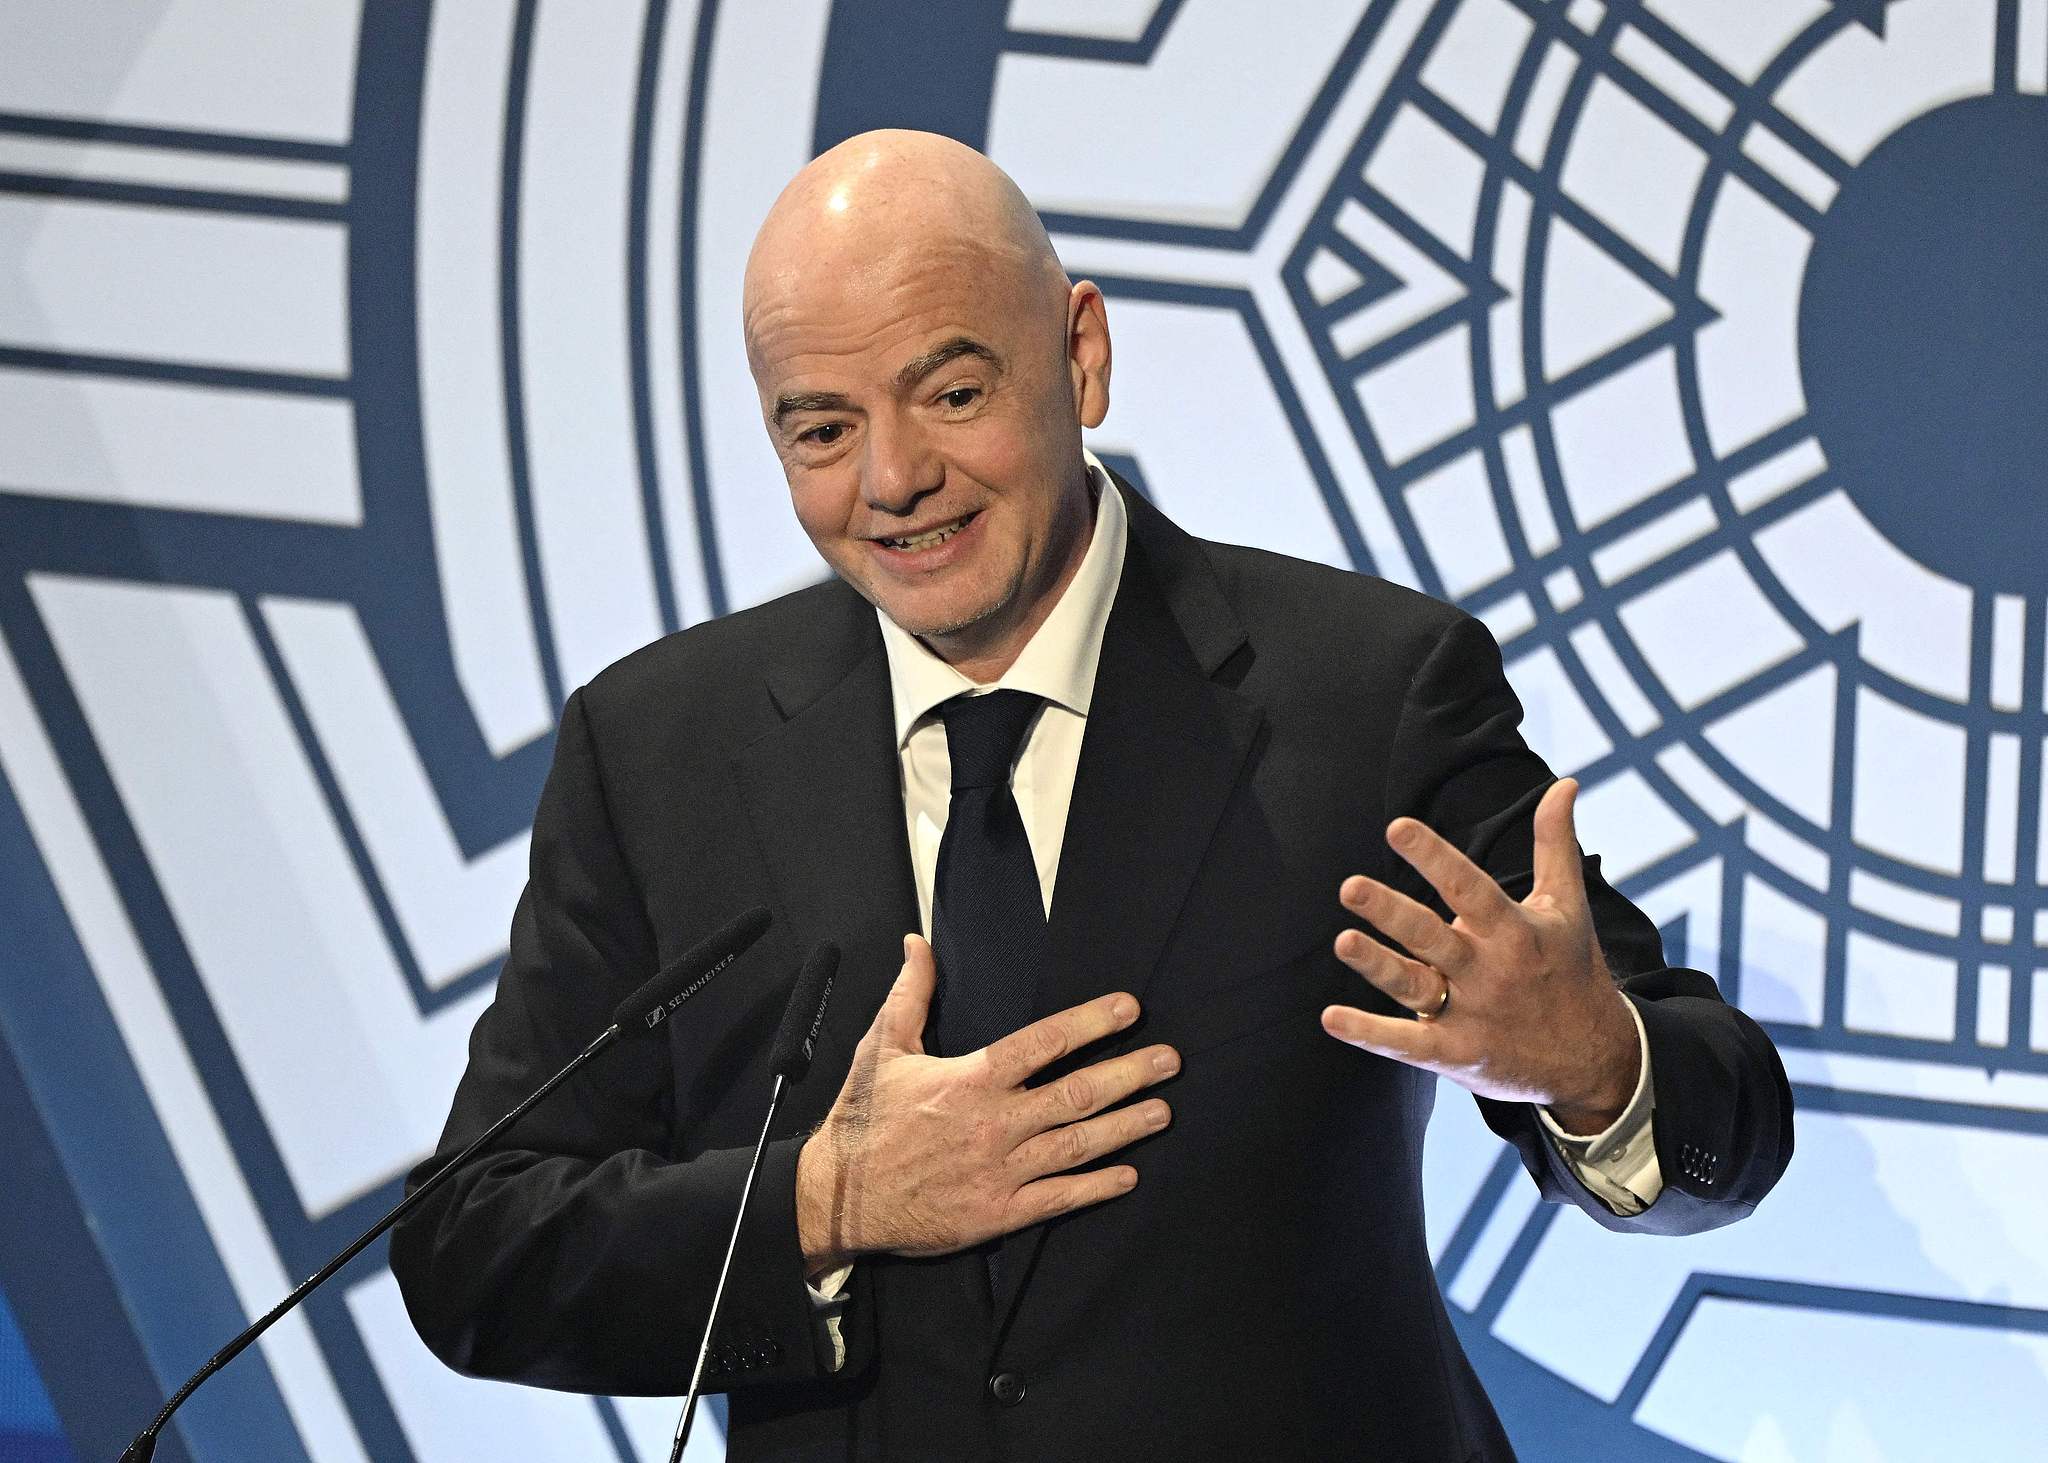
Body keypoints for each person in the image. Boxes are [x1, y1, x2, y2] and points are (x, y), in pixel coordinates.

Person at [391, 130, 1791, 1461]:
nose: (893, 481)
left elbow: (1731, 1111)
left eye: (952, 394)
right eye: (821, 430)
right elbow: (475, 1249)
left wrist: (1595, 1064)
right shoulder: (659, 750)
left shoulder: (1368, 694)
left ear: (1082, 354)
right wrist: (829, 1200)